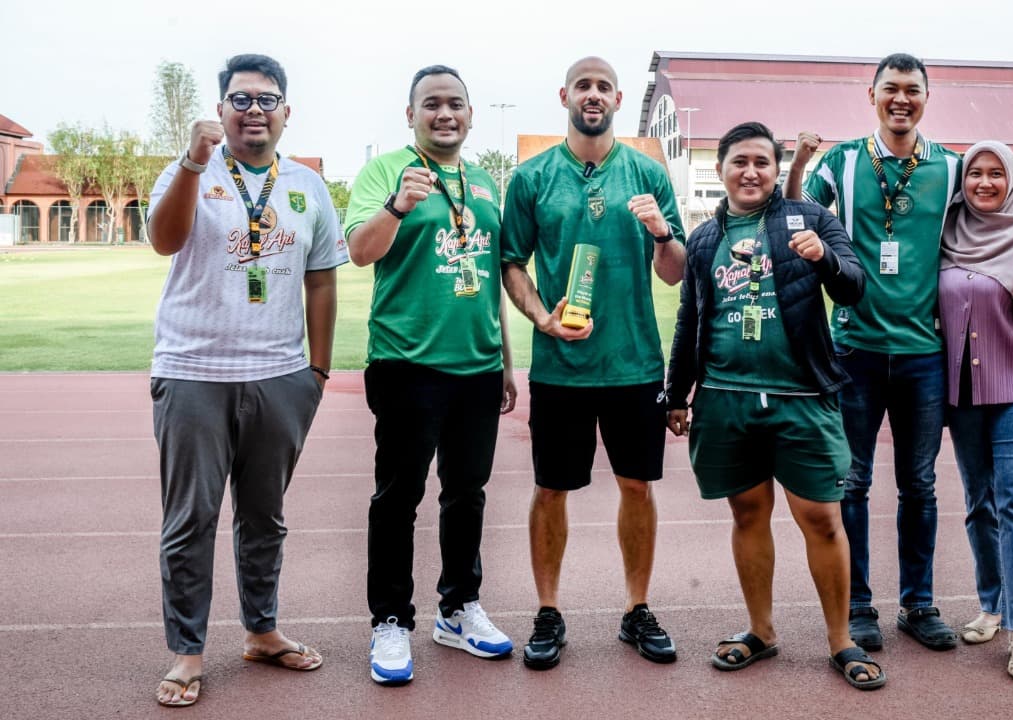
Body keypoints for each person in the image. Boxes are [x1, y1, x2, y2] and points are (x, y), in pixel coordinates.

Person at [147, 53, 346, 707]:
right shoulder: (191, 171)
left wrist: (316, 369)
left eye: (267, 99)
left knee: (265, 517)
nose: (253, 109)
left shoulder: (306, 185)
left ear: (286, 112)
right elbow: (164, 240)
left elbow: (321, 278)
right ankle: (186, 651)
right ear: (221, 108)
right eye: (240, 99)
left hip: (281, 377)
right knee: (191, 519)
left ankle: (261, 630)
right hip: (193, 372)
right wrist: (192, 163)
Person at [665, 122, 884, 689]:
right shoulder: (703, 240)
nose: (751, 171)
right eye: (739, 161)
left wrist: (824, 261)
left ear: (774, 167)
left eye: (762, 161)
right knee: (746, 514)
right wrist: (676, 393)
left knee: (821, 519)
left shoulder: (811, 220)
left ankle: (841, 640)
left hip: (802, 398)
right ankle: (761, 631)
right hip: (726, 398)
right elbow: (690, 320)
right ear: (720, 170)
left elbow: (855, 286)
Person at [500, 56, 686, 669]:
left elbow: (675, 271)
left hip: (634, 364)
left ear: (617, 97)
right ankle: (549, 611)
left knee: (638, 486)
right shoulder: (531, 178)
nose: (593, 94)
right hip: (561, 366)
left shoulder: (647, 172)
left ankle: (637, 609)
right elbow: (512, 264)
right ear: (564, 95)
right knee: (551, 489)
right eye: (583, 85)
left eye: (604, 86)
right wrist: (540, 318)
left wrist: (662, 233)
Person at [344, 64, 518, 686]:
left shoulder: (485, 184)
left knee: (466, 494)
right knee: (398, 497)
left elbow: (494, 273)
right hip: (406, 363)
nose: (445, 114)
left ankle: (459, 608)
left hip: (477, 366)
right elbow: (361, 251)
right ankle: (390, 620)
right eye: (431, 104)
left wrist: (504, 360)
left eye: (456, 104)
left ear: (470, 116)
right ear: (410, 114)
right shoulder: (385, 171)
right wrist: (397, 205)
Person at [783, 52, 960, 651]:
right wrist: (800, 163)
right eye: (891, 89)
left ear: (926, 98)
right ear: (873, 95)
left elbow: (984, 226)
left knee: (920, 483)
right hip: (854, 348)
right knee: (852, 482)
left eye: (913, 90)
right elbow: (795, 210)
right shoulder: (845, 160)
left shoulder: (953, 168)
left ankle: (919, 603)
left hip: (923, 353)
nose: (901, 99)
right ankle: (859, 606)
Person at [939, 140, 1013, 683]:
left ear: (1011, 179)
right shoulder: (944, 232)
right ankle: (991, 604)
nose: (984, 183)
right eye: (974, 174)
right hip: (961, 391)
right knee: (978, 503)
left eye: (995, 174)